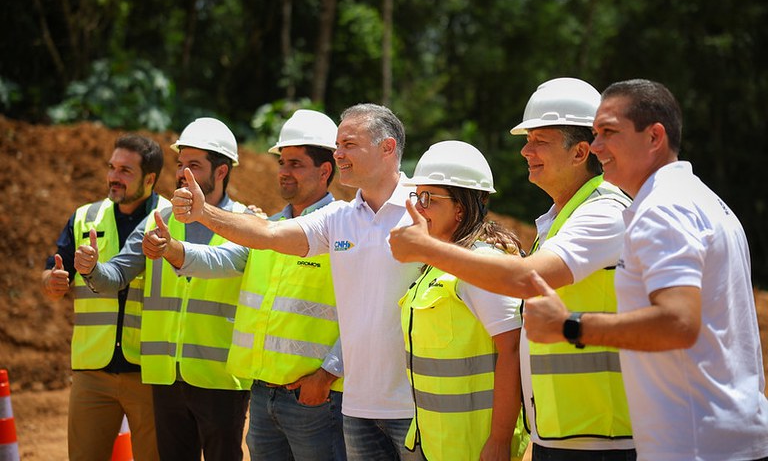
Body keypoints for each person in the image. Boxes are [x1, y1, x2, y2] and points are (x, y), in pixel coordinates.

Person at [389, 78, 636, 460]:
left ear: (580, 152)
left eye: (539, 140)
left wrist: (428, 249)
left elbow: (526, 280)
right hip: (561, 431)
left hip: (602, 436)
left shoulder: (605, 212)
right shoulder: (559, 221)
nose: (525, 150)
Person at [523, 79, 768, 461]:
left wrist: (568, 325)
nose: (597, 146)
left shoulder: (663, 210)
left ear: (654, 137)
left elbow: (678, 321)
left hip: (693, 444)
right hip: (714, 436)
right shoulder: (697, 199)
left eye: (608, 133)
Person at [171, 103, 424, 460]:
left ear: (387, 148)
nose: (339, 155)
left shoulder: (424, 210)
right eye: (337, 146)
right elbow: (270, 233)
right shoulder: (340, 218)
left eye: (348, 145)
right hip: (350, 402)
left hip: (397, 403)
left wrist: (326, 374)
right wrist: (204, 214)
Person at [143, 110, 346, 460]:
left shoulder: (343, 229)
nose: (284, 171)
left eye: (295, 163)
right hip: (264, 397)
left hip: (314, 400)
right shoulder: (267, 226)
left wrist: (328, 374)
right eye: (282, 162)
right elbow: (221, 260)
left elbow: (364, 310)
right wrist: (173, 249)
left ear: (324, 170)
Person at [76, 117, 252, 461]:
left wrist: (173, 251)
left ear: (221, 172)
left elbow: (219, 261)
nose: (183, 173)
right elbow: (117, 275)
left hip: (220, 379)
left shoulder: (245, 222)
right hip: (165, 378)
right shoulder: (161, 219)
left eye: (194, 165)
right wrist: (91, 269)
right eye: (181, 164)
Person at [395, 140, 529, 461]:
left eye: (429, 198)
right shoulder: (438, 262)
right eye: (416, 196)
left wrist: (498, 440)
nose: (418, 208)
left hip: (474, 443)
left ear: (461, 207)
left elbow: (511, 349)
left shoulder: (480, 263)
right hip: (434, 439)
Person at [42, 134, 165, 461]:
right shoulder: (85, 218)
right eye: (112, 167)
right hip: (92, 370)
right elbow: (52, 270)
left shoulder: (173, 220)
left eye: (125, 170)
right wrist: (53, 282)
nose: (113, 176)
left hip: (151, 371)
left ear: (149, 179)